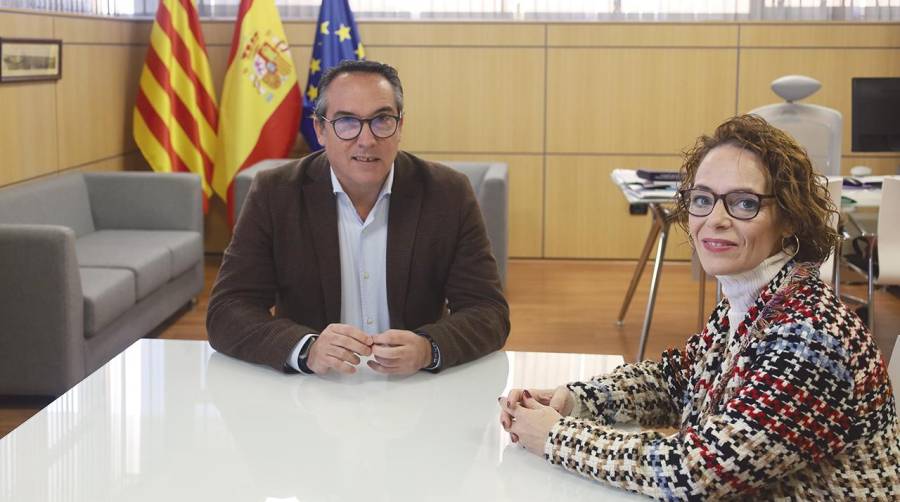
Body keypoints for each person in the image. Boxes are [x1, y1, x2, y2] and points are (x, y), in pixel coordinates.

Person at [499, 114, 900, 500]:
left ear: (790, 218)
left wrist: (556, 436)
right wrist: (575, 399)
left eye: (744, 203)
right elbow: (675, 381)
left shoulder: (812, 340)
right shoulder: (752, 302)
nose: (715, 219)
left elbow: (694, 473)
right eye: (703, 199)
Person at [207, 60, 509, 376]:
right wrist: (306, 348)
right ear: (320, 129)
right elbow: (227, 311)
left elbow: (488, 311)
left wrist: (428, 348)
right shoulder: (276, 193)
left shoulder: (448, 193)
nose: (366, 140)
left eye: (382, 120)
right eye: (347, 122)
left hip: (413, 388)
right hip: (311, 391)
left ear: (401, 125)